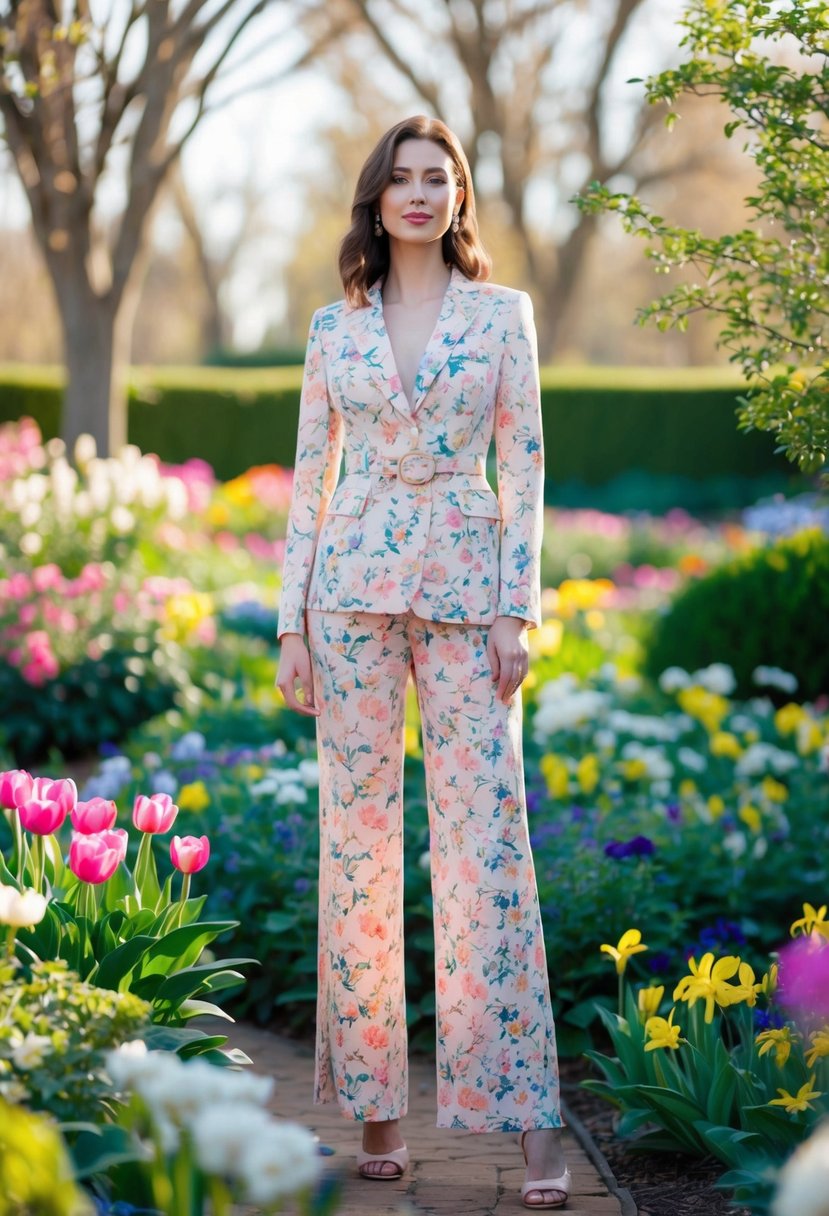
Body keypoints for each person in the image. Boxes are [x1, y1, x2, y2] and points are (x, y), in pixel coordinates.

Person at [275, 114, 570, 1210]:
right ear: (375, 195)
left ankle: (530, 1129)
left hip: (464, 603)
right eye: (399, 176)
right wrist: (290, 623)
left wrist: (517, 611)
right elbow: (309, 479)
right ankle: (377, 1113)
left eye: (434, 177)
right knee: (355, 856)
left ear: (458, 198)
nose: (415, 192)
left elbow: (525, 465)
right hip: (347, 598)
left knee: (486, 853)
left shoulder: (503, 317)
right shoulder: (332, 328)